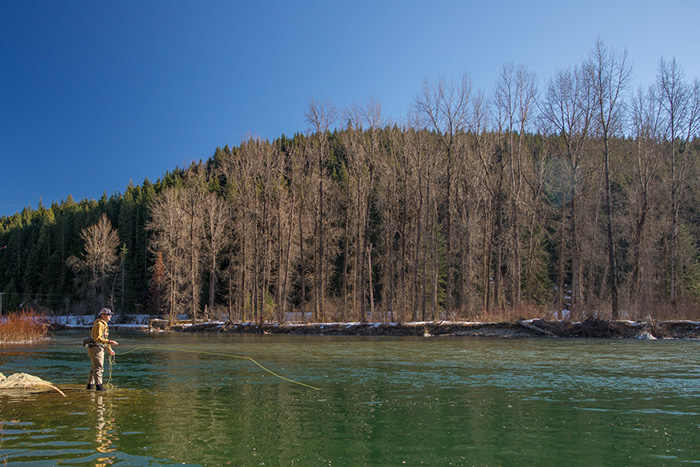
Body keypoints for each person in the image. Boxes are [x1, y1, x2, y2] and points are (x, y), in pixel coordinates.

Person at [86, 308, 118, 391]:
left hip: (98, 348)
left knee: (95, 368)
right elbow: (97, 338)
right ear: (102, 315)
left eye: (110, 314)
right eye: (108, 314)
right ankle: (99, 388)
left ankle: (90, 387)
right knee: (98, 368)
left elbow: (103, 338)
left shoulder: (104, 325)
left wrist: (109, 349)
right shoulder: (99, 324)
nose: (110, 316)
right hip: (95, 348)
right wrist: (110, 341)